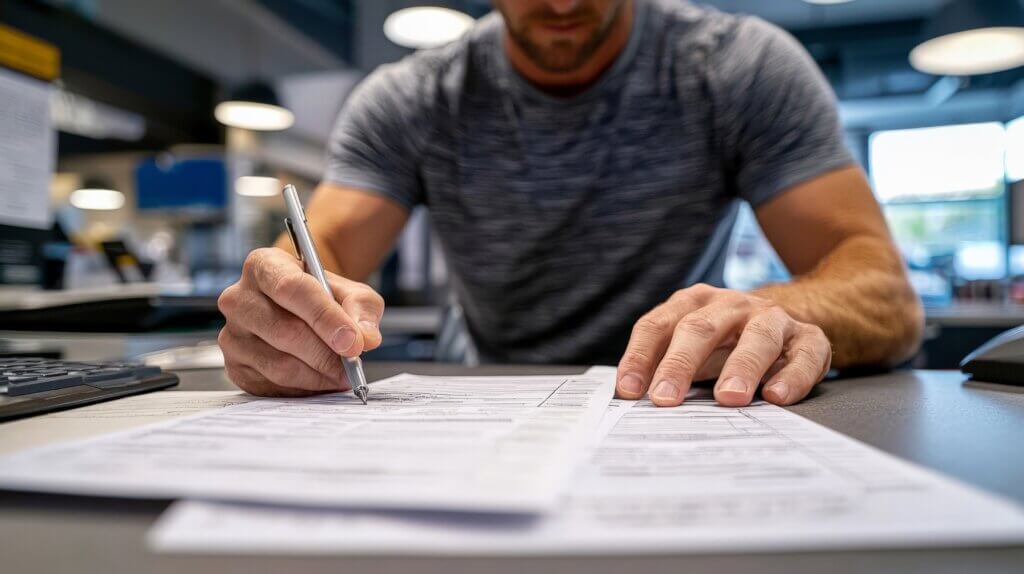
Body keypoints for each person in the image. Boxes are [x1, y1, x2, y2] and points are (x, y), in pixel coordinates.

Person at [216, 0, 923, 408]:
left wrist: (788, 312)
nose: (558, 5)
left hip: (681, 403)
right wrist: (288, 310)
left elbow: (882, 287)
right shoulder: (410, 97)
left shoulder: (739, 66)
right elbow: (325, 248)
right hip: (479, 405)